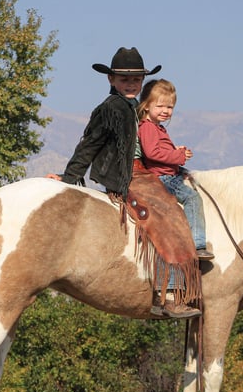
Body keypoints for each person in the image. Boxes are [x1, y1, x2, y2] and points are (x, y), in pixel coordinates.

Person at [47, 47, 201, 319]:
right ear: (111, 80)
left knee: (174, 200)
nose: (130, 84)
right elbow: (89, 145)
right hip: (126, 175)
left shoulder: (137, 109)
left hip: (142, 172)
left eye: (136, 80)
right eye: (124, 79)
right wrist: (68, 178)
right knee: (165, 213)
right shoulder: (109, 109)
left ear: (142, 82)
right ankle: (167, 293)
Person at [137, 79, 214, 261]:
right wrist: (177, 157)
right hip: (163, 178)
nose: (166, 111)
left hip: (169, 173)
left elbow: (160, 151)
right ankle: (198, 243)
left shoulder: (157, 127)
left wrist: (176, 154)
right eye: (160, 106)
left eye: (170, 107)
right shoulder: (148, 127)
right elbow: (152, 153)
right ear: (146, 105)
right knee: (192, 198)